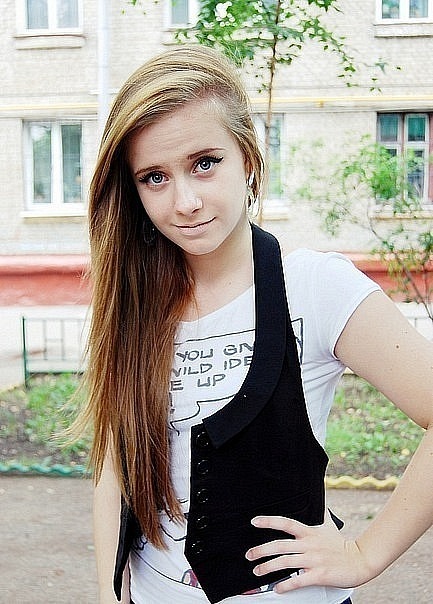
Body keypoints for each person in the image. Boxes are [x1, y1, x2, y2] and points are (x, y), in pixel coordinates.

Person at [80, 44, 433, 604]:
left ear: (247, 158)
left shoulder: (314, 286)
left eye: (205, 163)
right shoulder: (132, 303)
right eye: (154, 177)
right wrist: (109, 592)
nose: (186, 201)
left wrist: (364, 555)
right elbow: (113, 460)